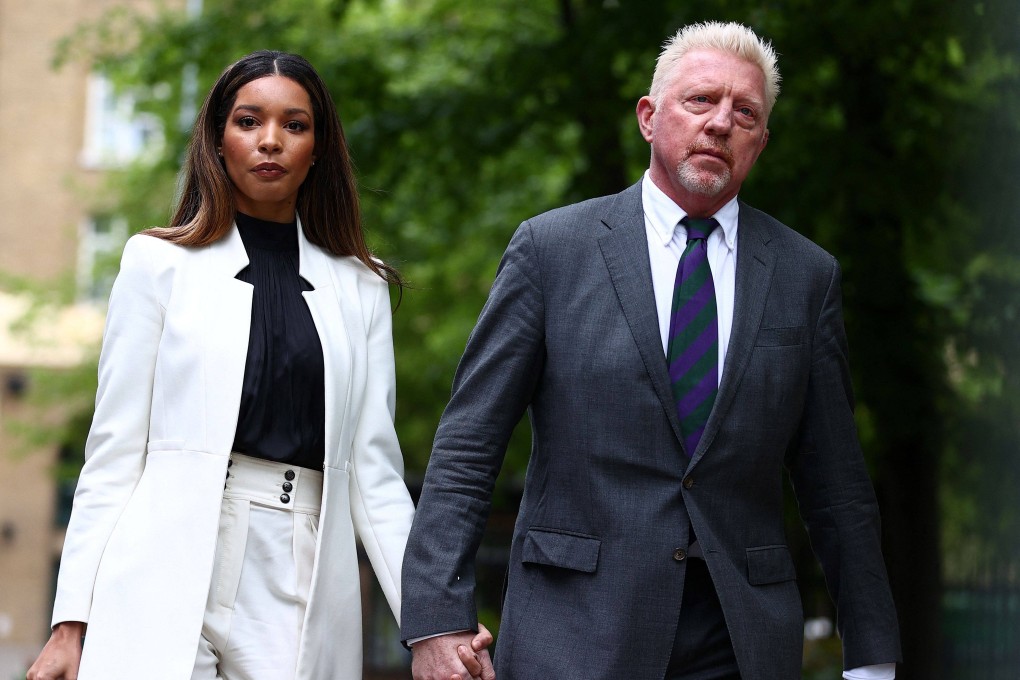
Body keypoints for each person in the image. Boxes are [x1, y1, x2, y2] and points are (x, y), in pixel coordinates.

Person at [401, 21, 901, 680]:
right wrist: (436, 619)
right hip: (574, 631)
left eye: (745, 113)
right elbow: (468, 445)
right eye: (701, 100)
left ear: (761, 141)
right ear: (648, 117)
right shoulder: (551, 252)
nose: (720, 123)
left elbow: (837, 486)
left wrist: (872, 655)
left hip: (739, 639)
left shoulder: (806, 277)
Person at [27, 51, 490, 680]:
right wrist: (70, 623)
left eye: (294, 125)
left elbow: (375, 476)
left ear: (318, 149)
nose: (270, 140)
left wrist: (434, 618)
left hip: (299, 567)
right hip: (161, 560)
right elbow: (112, 455)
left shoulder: (362, 286)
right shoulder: (155, 264)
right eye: (248, 121)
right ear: (218, 139)